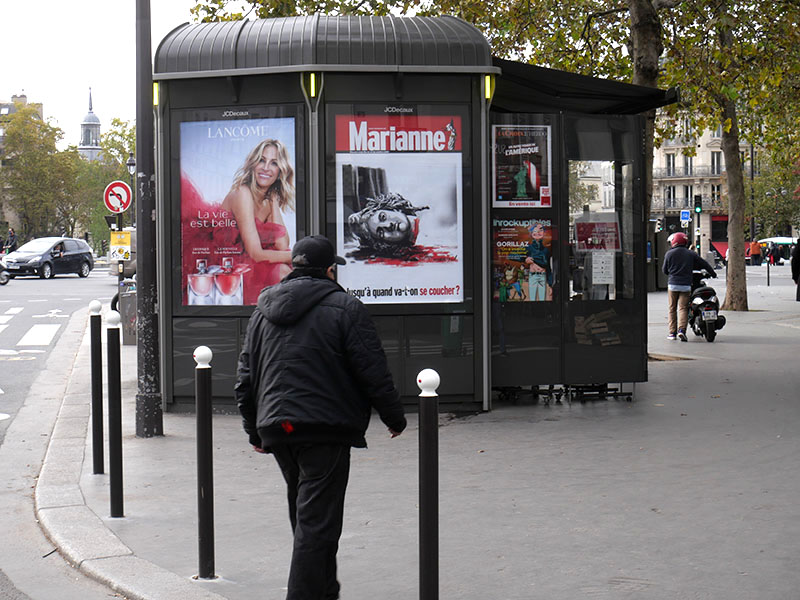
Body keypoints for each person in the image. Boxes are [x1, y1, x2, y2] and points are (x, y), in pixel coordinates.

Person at [235, 235, 407, 600]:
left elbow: (245, 378)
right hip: (324, 428)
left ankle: (325, 591)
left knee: (307, 518)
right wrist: (394, 417)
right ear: (330, 269)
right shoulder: (345, 307)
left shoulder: (262, 310)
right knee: (317, 523)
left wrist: (254, 432)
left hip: (277, 428)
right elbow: (372, 369)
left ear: (294, 267)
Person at [222, 139, 296, 303]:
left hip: (251, 263)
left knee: (286, 273)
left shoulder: (267, 199)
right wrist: (298, 256)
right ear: (253, 164)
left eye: (274, 163)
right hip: (227, 264)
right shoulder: (243, 193)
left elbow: (281, 245)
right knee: (286, 274)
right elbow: (256, 253)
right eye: (262, 160)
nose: (266, 168)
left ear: (280, 171)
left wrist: (274, 201)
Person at [663, 231, 717, 341]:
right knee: (683, 308)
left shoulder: (669, 254)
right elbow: (704, 264)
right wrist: (713, 273)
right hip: (686, 285)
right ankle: (681, 331)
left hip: (673, 285)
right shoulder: (690, 253)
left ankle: (672, 333)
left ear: (674, 242)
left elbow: (664, 270)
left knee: (672, 309)